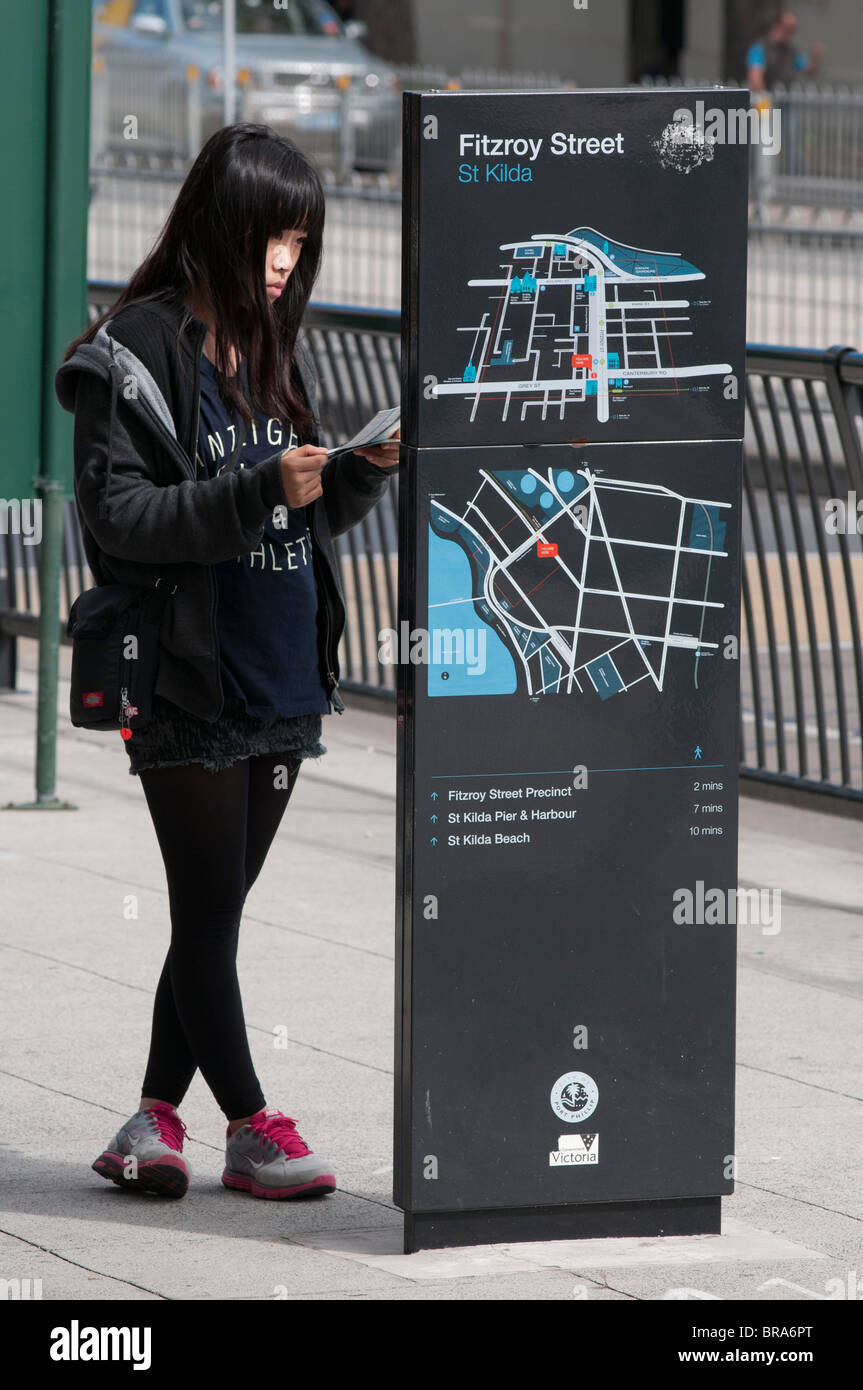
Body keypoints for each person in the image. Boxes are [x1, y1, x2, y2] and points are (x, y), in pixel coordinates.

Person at [54, 123, 399, 1202]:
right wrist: (260, 489)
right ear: (215, 223)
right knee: (207, 913)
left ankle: (152, 1120)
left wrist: (355, 474)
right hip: (187, 677)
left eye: (300, 241)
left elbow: (296, 514)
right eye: (270, 237)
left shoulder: (266, 345)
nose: (285, 263)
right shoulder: (131, 353)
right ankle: (251, 1123)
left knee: (215, 916)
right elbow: (120, 520)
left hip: (282, 671)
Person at [745, 10, 823, 92]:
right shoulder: (760, 48)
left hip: (785, 100)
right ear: (776, 26)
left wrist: (815, 57)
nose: (790, 34)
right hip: (766, 101)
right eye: (787, 29)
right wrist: (764, 99)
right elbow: (755, 78)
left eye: (793, 30)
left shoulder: (791, 51)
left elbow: (808, 71)